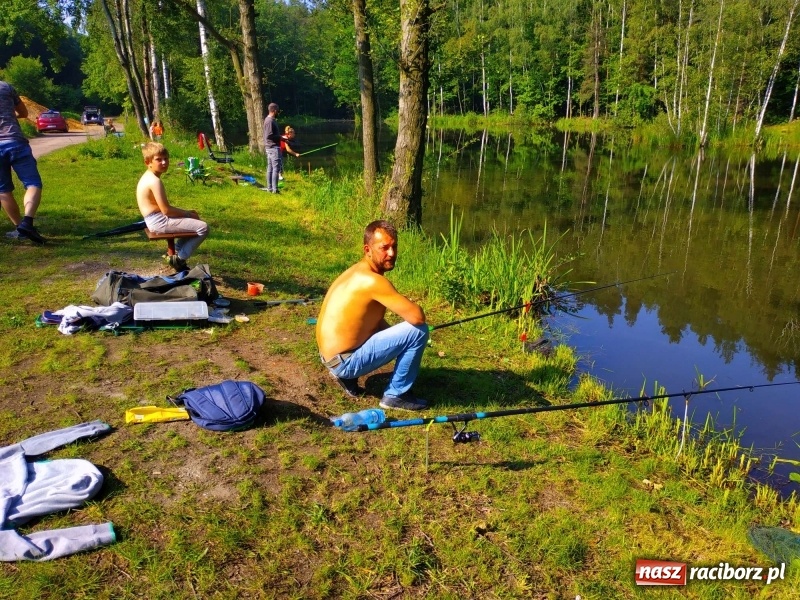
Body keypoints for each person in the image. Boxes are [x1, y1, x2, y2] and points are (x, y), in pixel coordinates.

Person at [316, 220, 430, 411]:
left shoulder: (356, 271)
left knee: (407, 333)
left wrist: (398, 341)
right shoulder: (373, 281)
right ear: (367, 249)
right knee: (418, 331)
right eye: (384, 248)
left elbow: (371, 321)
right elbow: (418, 317)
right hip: (344, 362)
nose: (392, 253)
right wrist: (407, 338)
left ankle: (346, 376)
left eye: (394, 247)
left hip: (331, 357)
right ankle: (395, 395)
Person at [136, 142, 209, 271]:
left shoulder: (149, 177)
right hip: (159, 221)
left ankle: (175, 254)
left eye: (166, 159)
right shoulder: (154, 181)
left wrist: (187, 213)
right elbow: (166, 210)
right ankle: (180, 259)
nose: (164, 162)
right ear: (147, 162)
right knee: (203, 227)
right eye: (159, 159)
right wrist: (188, 214)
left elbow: (163, 208)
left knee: (193, 223)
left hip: (155, 218)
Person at [0, 79, 45, 244]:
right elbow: (24, 113)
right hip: (15, 141)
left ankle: (20, 228)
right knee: (33, 183)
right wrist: (11, 115)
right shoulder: (5, 87)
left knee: (3, 190)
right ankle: (27, 222)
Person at [262, 103, 282, 193]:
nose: (278, 112)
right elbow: (269, 136)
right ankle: (275, 189)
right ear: (274, 111)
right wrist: (281, 137)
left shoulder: (268, 120)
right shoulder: (270, 121)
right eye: (278, 111)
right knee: (275, 168)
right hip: (273, 147)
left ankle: (270, 188)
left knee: (270, 168)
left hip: (270, 147)